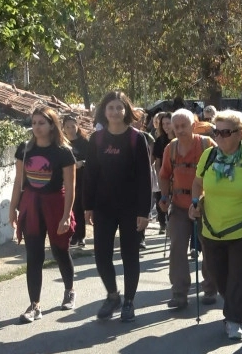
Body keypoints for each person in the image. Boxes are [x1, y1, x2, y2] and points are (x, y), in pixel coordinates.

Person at [188, 110, 242, 340]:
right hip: (211, 231)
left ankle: (234, 319)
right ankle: (233, 307)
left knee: (241, 278)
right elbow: (197, 183)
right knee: (220, 277)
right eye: (216, 132)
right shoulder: (208, 156)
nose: (219, 137)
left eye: (225, 132)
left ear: (240, 133)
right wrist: (195, 203)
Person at [84, 90, 151, 323]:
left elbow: (145, 177)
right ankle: (113, 296)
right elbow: (90, 175)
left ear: (126, 110)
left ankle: (129, 302)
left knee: (130, 255)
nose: (114, 112)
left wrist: (144, 211)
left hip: (131, 208)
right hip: (103, 207)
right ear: (104, 111)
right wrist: (88, 206)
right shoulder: (96, 139)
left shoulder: (136, 138)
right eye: (111, 107)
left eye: (119, 107)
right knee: (101, 255)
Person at [10, 106, 77, 324]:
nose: (36, 127)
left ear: (52, 125)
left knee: (60, 251)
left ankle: (69, 290)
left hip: (55, 204)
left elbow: (70, 187)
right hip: (31, 205)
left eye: (41, 123)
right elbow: (18, 181)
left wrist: (66, 215)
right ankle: (35, 305)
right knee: (34, 256)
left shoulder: (63, 152)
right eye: (34, 123)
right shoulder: (25, 149)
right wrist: (13, 209)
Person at [158, 109, 218, 309]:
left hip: (206, 205)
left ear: (193, 126)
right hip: (179, 205)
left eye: (184, 126)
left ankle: (210, 288)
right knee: (177, 247)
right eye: (176, 127)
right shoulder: (171, 149)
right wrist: (164, 197)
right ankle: (179, 293)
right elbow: (164, 175)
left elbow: (220, 173)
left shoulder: (207, 145)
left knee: (208, 247)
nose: (180, 130)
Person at [62, 114, 90, 248]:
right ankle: (73, 235)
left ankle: (81, 236)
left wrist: (82, 163)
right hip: (66, 179)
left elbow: (92, 159)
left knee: (79, 207)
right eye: (67, 127)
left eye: (73, 126)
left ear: (77, 127)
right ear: (63, 128)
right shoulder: (62, 143)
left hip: (81, 178)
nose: (70, 129)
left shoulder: (84, 142)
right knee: (70, 208)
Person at [151, 112, 174, 234]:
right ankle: (162, 224)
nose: (165, 126)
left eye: (168, 123)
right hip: (164, 175)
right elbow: (157, 162)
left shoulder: (180, 139)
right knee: (161, 199)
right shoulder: (160, 141)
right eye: (163, 124)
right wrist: (161, 176)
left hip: (179, 177)